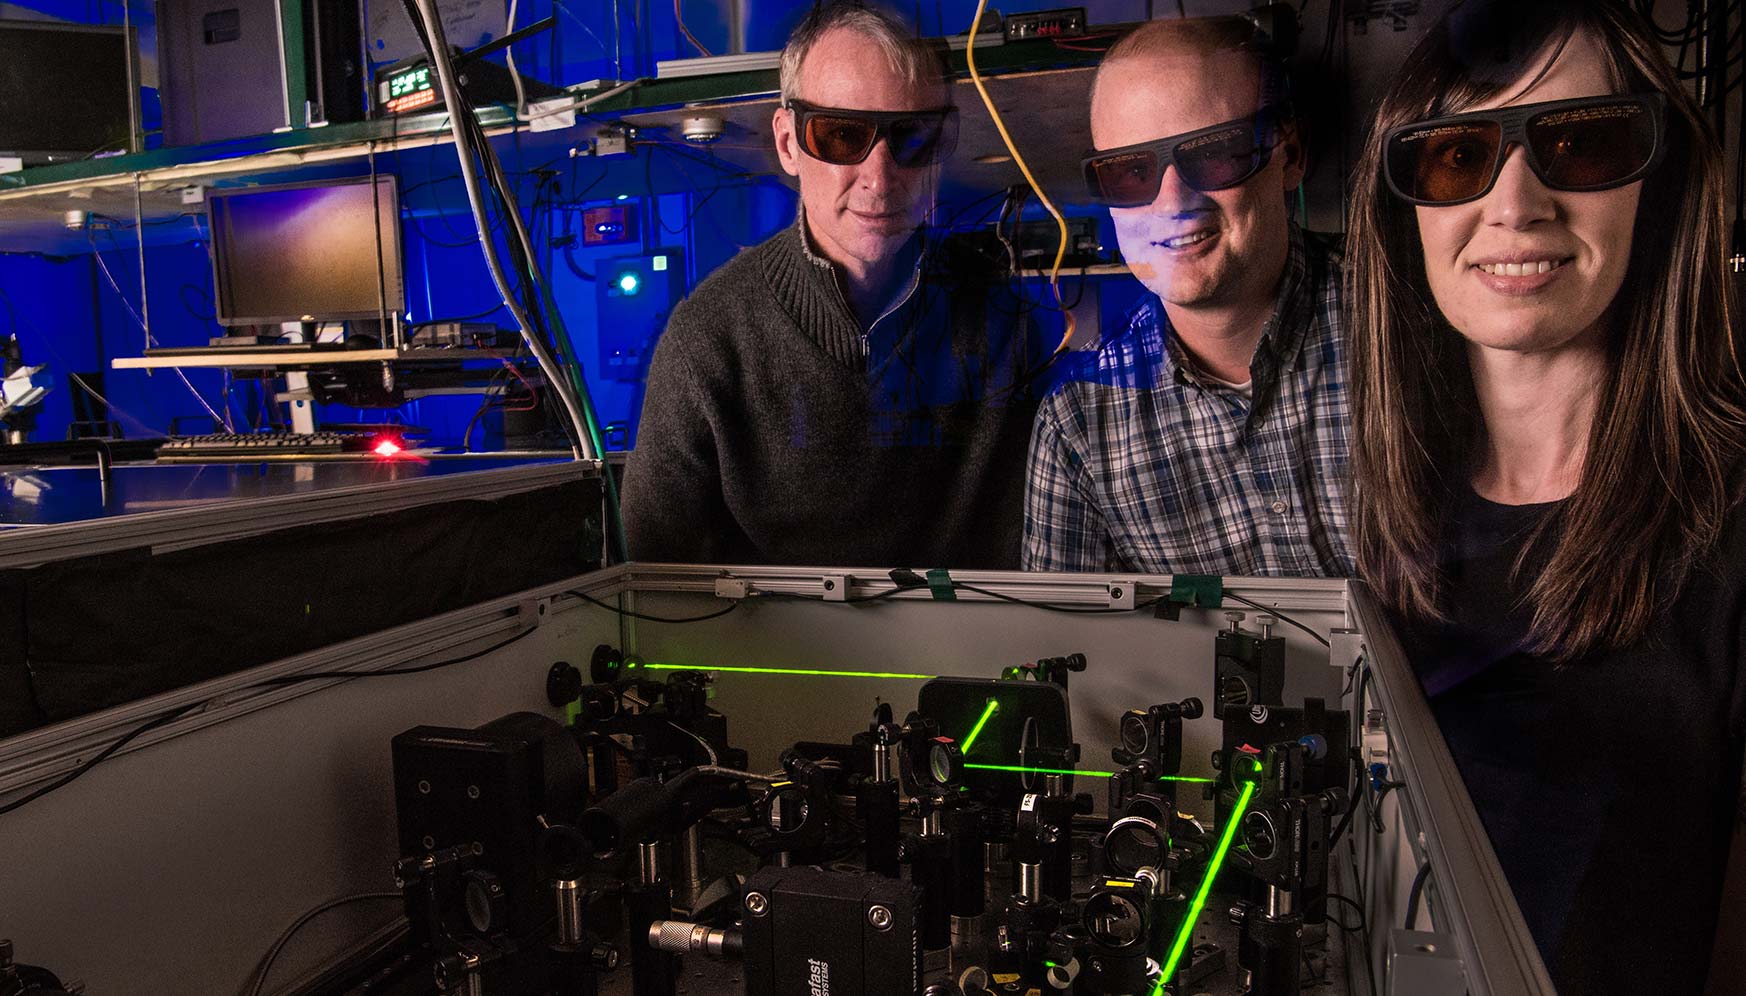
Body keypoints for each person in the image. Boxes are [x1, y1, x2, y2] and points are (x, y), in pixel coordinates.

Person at [1346, 1, 1746, 990]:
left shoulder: (1732, 529)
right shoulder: (1396, 524)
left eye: (1581, 141)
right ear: (1407, 209)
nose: (1514, 204)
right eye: (1453, 156)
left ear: (1658, 183)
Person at [621, 2, 1044, 568]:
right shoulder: (708, 344)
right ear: (788, 143)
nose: (880, 176)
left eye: (912, 136)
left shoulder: (1007, 327)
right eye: (842, 134)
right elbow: (654, 592)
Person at [1021, 16, 1353, 576]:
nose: (1173, 200)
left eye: (1215, 152)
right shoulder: (1079, 425)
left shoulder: (1406, 317)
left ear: (1290, 154)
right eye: (1129, 171)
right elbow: (1063, 651)